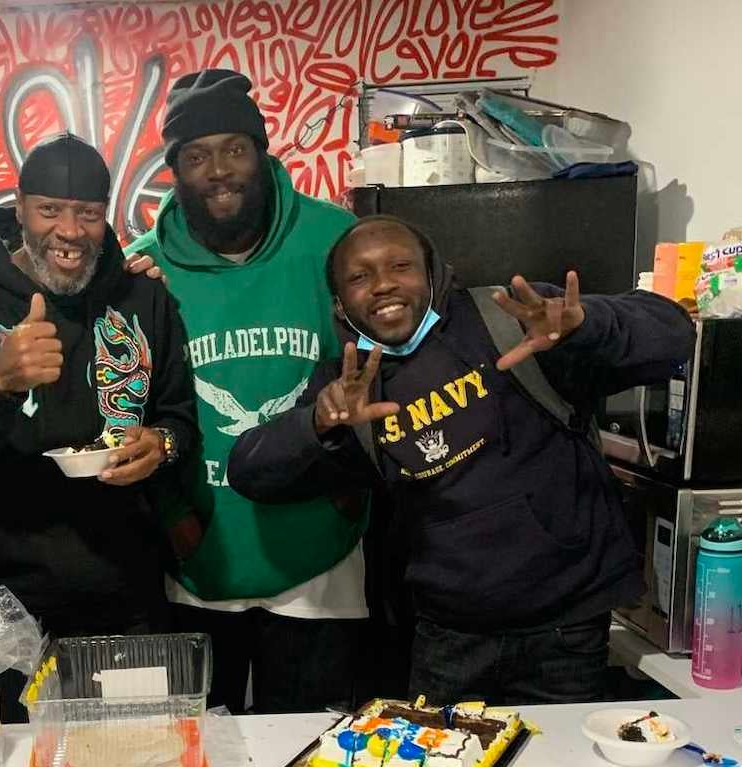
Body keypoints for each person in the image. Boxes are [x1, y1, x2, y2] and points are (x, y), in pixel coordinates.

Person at [227, 215, 695, 705]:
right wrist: (317, 423)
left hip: (565, 630)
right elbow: (251, 470)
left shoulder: (513, 318)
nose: (383, 284)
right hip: (445, 640)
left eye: (400, 266)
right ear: (341, 303)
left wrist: (585, 327)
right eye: (360, 277)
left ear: (433, 274)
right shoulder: (350, 384)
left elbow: (673, 333)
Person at [0, 133, 198, 719]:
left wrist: (161, 446)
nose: (70, 231)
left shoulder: (144, 298)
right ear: (19, 210)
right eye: (49, 211)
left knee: (133, 762)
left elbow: (180, 420)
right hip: (6, 610)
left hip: (129, 598)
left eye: (88, 214)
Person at [125, 69, 368, 714]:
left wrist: (351, 492)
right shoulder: (144, 267)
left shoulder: (335, 239)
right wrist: (176, 520)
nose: (219, 170)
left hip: (322, 555)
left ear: (261, 152)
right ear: (175, 169)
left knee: (316, 754)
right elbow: (128, 405)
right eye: (196, 156)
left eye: (234, 148)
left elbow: (387, 354)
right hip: (202, 551)